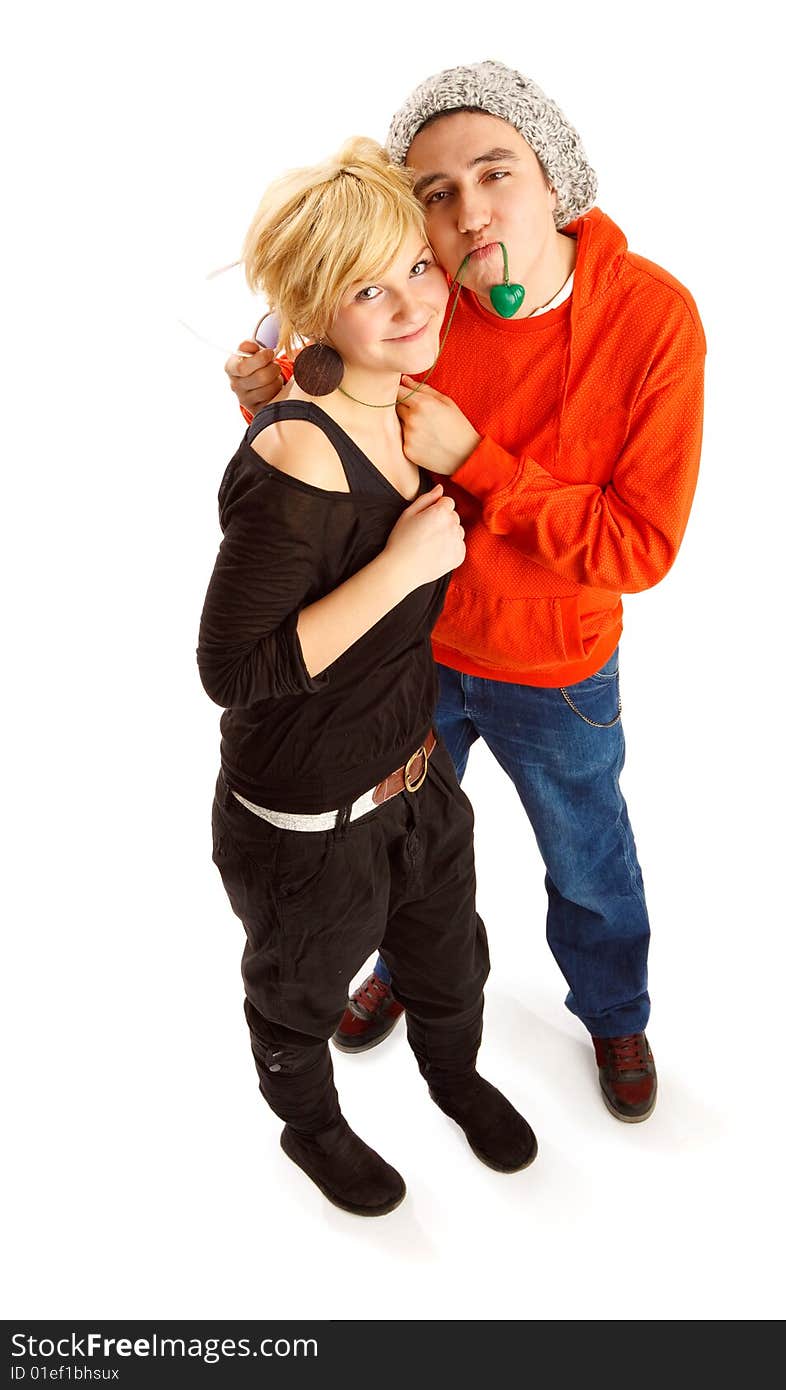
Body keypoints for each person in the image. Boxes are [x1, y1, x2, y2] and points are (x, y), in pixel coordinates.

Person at [226, 62, 706, 1125]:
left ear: (555, 177)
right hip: (414, 657)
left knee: (587, 859)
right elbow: (338, 461)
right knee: (407, 844)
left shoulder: (654, 318)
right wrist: (270, 404)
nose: (468, 211)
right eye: (434, 194)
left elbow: (638, 545)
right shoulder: (426, 298)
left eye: (495, 172)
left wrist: (481, 460)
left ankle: (614, 1010)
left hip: (556, 673)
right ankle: (411, 962)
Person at [198, 136, 537, 1217]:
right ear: (315, 312)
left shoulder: (398, 406)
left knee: (452, 962)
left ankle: (453, 1075)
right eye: (368, 290)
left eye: (418, 269)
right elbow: (232, 667)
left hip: (416, 782)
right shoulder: (297, 450)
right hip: (307, 824)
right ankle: (312, 1127)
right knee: (299, 998)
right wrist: (401, 568)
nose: (411, 306)